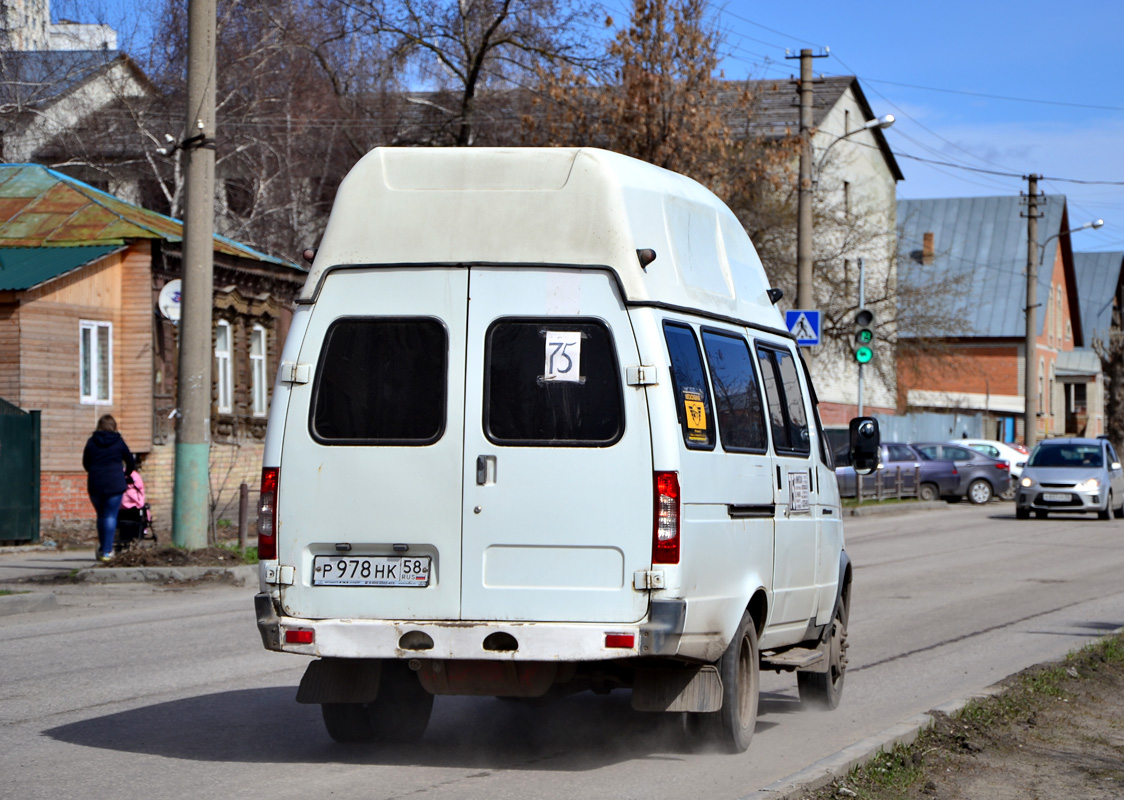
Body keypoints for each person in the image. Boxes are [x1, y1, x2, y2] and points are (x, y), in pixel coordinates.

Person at [82, 414, 136, 562]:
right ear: (114, 426)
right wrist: (128, 473)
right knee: (110, 515)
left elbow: (86, 462)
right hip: (115, 483)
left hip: (96, 483)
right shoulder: (118, 442)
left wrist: (94, 472)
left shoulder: (91, 442)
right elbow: (130, 461)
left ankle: (102, 548)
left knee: (101, 515)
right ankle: (107, 551)